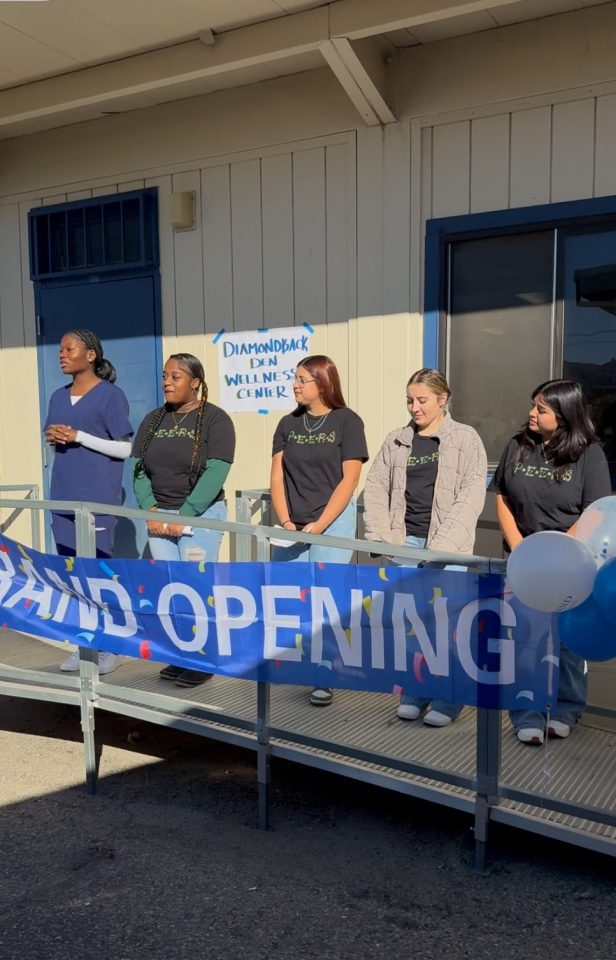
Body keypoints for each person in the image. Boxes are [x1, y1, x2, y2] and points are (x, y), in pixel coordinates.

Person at [363, 368, 487, 726]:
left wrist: (442, 548)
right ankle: (416, 692)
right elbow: (375, 489)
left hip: (447, 547)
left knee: (448, 627)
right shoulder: (397, 440)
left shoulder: (465, 439)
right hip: (406, 543)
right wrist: (384, 539)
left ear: (442, 399)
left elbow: (470, 496)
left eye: (422, 400)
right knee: (414, 625)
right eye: (410, 400)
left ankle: (448, 700)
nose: (414, 407)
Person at [491, 378, 611, 746]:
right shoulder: (518, 445)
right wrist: (521, 549)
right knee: (524, 639)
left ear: (564, 415)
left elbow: (594, 511)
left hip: (569, 560)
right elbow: (503, 497)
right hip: (523, 557)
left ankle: (565, 709)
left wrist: (557, 552)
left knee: (567, 641)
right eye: (533, 405)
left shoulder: (589, 454)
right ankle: (526, 713)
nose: (532, 413)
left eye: (541, 408)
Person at [270, 355, 369, 706]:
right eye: (294, 379)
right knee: (291, 598)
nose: (295, 385)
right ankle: (299, 665)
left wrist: (320, 525)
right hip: (293, 524)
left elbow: (350, 479)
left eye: (302, 379)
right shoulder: (287, 423)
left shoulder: (347, 421)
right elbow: (278, 476)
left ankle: (324, 673)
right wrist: (285, 522)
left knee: (326, 601)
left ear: (323, 383)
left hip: (332, 522)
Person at [132, 353, 235, 688]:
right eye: (164, 376)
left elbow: (217, 470)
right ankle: (181, 655)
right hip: (160, 516)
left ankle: (204, 657)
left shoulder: (215, 420)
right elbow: (137, 469)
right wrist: (150, 509)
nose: (167, 382)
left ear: (195, 382)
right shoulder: (153, 420)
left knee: (196, 588)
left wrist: (187, 514)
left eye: (175, 377)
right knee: (170, 589)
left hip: (202, 516)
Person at [44, 328, 133, 676]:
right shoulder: (57, 396)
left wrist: (79, 436)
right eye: (60, 349)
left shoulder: (111, 396)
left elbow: (125, 448)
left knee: (98, 573)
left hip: (95, 500)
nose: (62, 354)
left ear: (91, 355)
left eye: (70, 348)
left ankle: (110, 647)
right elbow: (55, 446)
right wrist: (54, 439)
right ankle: (84, 646)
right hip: (62, 498)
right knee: (71, 576)